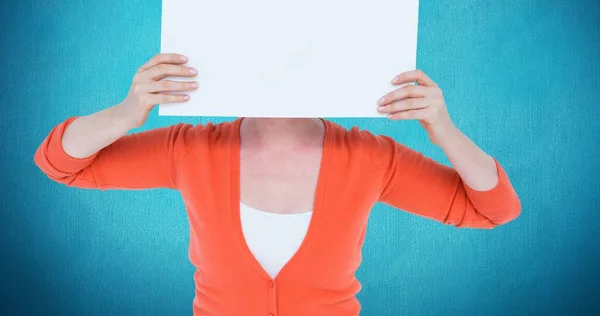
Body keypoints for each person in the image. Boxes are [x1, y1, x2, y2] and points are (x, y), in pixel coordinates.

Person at [34, 52, 521, 316]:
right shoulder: (190, 148)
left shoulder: (372, 156)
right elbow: (61, 162)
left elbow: (492, 208)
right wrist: (127, 112)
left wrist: (446, 132)